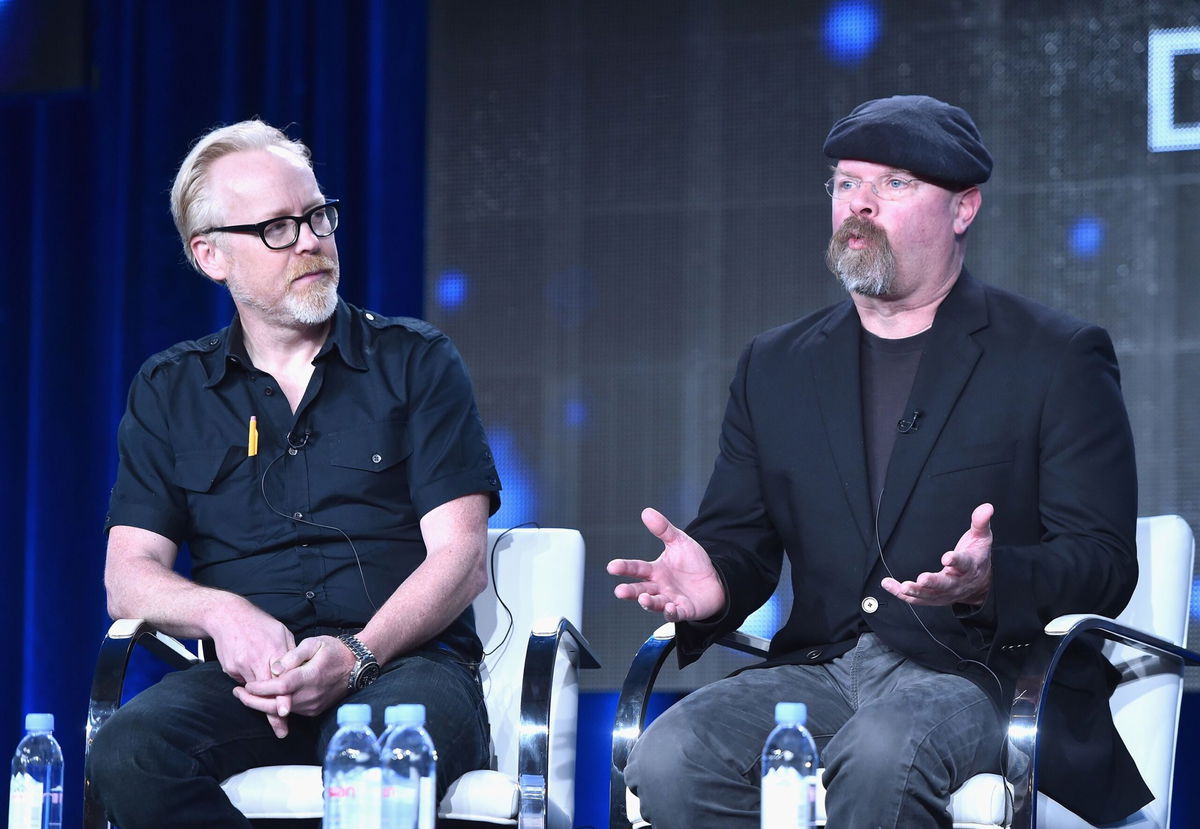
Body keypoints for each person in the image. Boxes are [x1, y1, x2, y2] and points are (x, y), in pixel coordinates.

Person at [608, 95, 1149, 828]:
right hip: (823, 666)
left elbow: (1105, 561)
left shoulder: (1055, 356)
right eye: (845, 182)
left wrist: (992, 580)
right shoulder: (776, 365)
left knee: (884, 748)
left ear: (964, 209)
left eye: (894, 183)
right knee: (671, 756)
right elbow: (741, 539)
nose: (859, 203)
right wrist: (716, 583)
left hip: (983, 671)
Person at [86, 119, 502, 827]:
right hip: (253, 685)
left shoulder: (415, 361)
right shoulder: (170, 389)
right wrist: (224, 614)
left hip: (406, 668)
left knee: (369, 748)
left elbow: (461, 558)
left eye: (316, 216)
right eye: (278, 227)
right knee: (128, 749)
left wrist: (357, 652)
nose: (310, 240)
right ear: (210, 254)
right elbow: (127, 576)